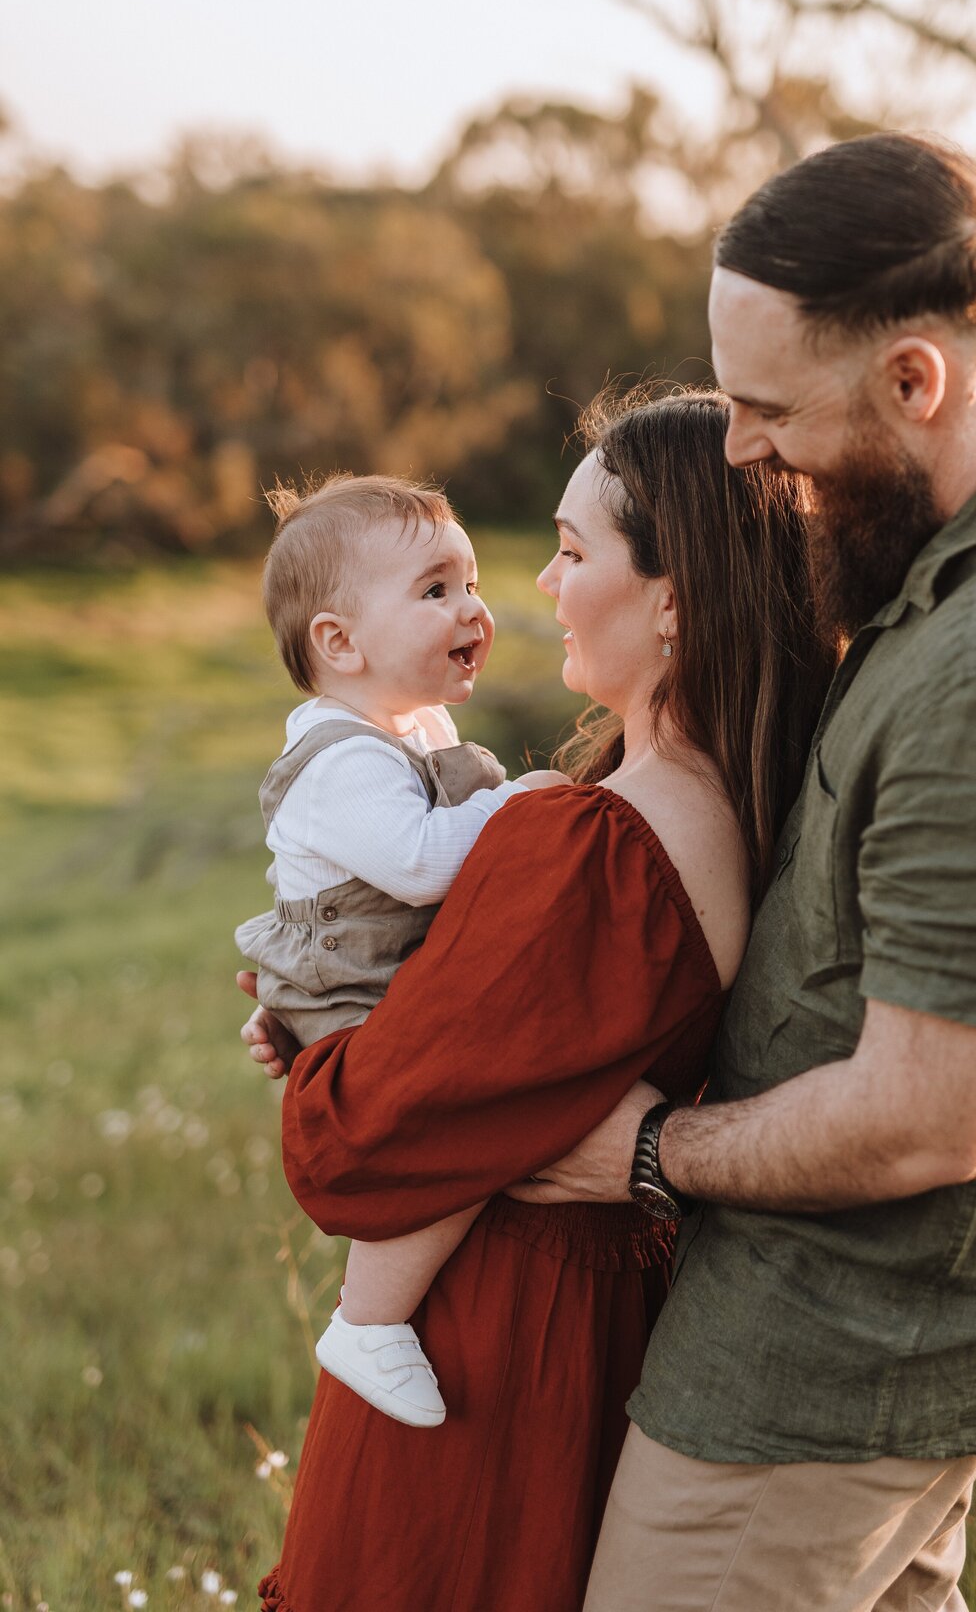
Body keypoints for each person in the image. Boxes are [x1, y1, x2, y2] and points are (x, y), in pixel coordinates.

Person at [514, 134, 976, 1612]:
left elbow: (919, 1123)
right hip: (864, 1339)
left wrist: (642, 1154)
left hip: (830, 1358)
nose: (744, 450)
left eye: (768, 410)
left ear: (913, 382)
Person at [241, 392, 837, 1612]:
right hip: (590, 1311)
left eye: (572, 554)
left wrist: (321, 1061)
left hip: (491, 1350)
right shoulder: (718, 802)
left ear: (675, 601)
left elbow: (350, 1152)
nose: (537, 589)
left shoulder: (591, 847)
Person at [235, 473, 568, 1428]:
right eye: (435, 591)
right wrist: (525, 797)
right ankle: (367, 1319)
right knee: (456, 1124)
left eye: (470, 583)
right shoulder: (339, 760)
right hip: (353, 992)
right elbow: (424, 868)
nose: (473, 608)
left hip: (367, 975)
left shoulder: (416, 728)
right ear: (339, 643)